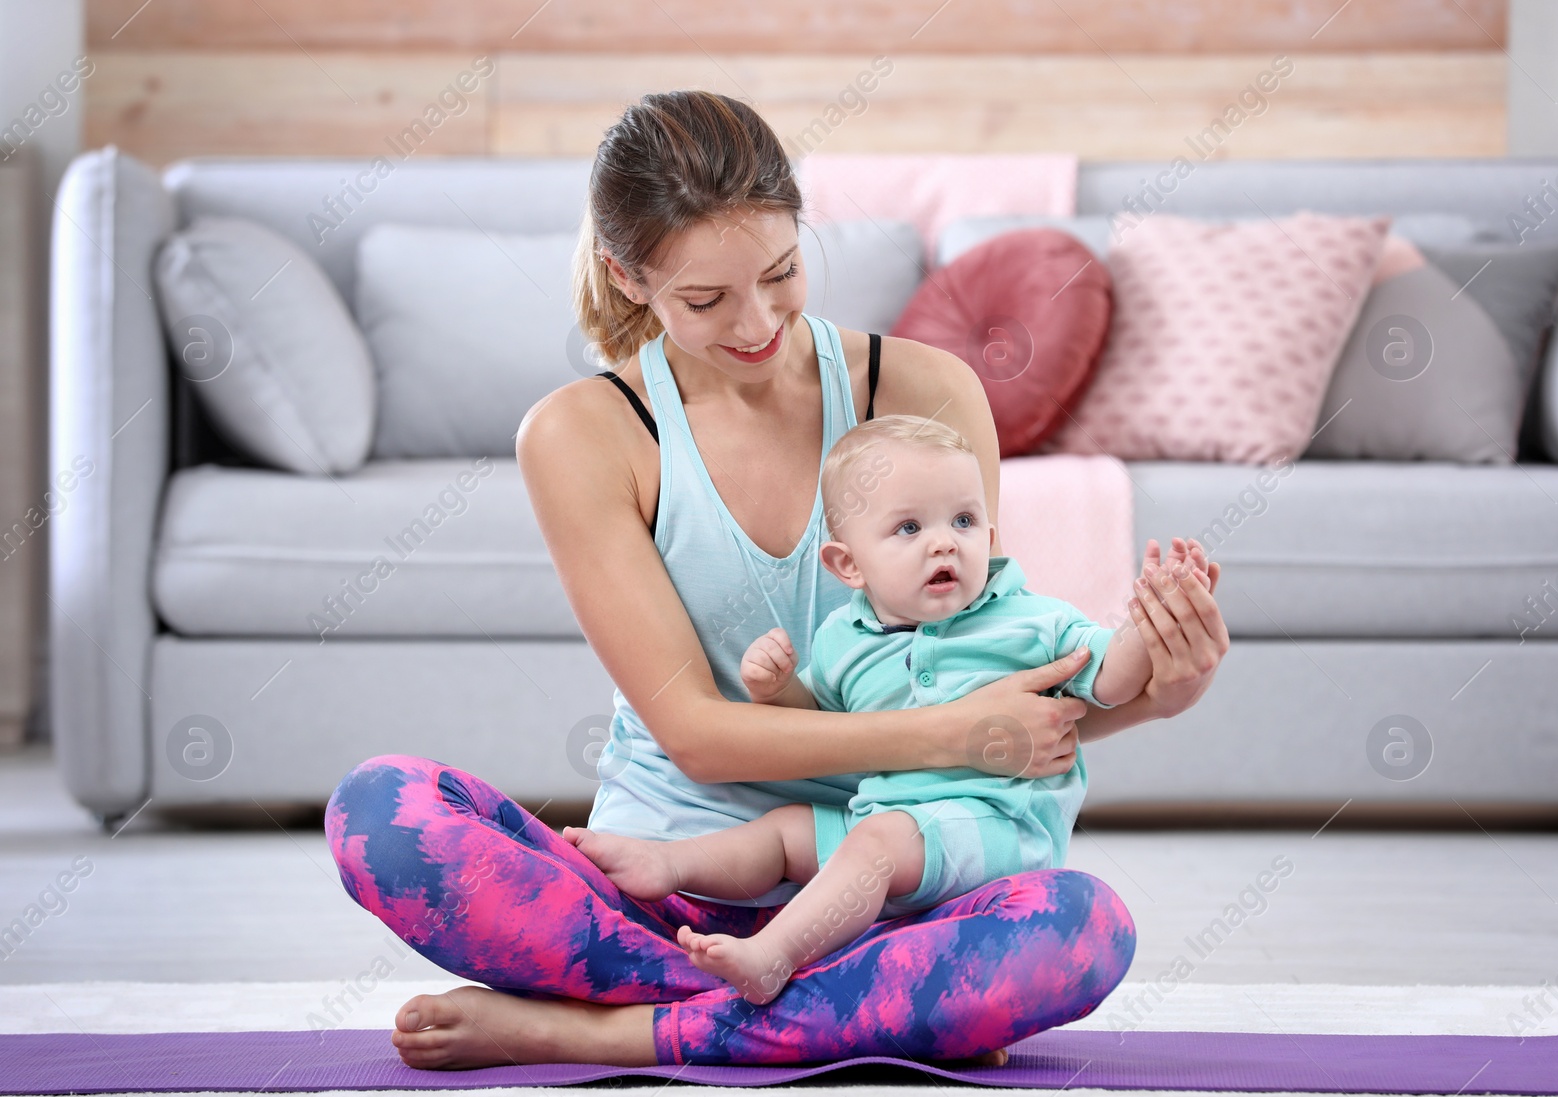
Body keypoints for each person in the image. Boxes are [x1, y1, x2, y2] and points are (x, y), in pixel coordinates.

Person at [323, 88, 1230, 1070]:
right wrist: (954, 734)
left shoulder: (924, 391)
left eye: (781, 272)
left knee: (1081, 925)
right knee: (383, 814)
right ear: (629, 278)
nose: (756, 322)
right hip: (669, 877)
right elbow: (703, 738)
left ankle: (609, 1026)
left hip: (893, 881)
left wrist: (1157, 694)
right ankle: (854, 1006)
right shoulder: (583, 433)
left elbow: (992, 685)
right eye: (706, 301)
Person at [561, 415, 1214, 1004]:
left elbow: (1107, 677)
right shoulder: (847, 640)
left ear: (990, 534)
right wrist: (779, 687)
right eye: (910, 527)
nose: (943, 544)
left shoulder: (1031, 620)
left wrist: (1149, 625)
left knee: (875, 838)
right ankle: (668, 864)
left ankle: (774, 956)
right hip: (890, 830)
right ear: (848, 563)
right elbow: (819, 720)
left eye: (962, 522)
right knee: (787, 829)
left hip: (994, 827)